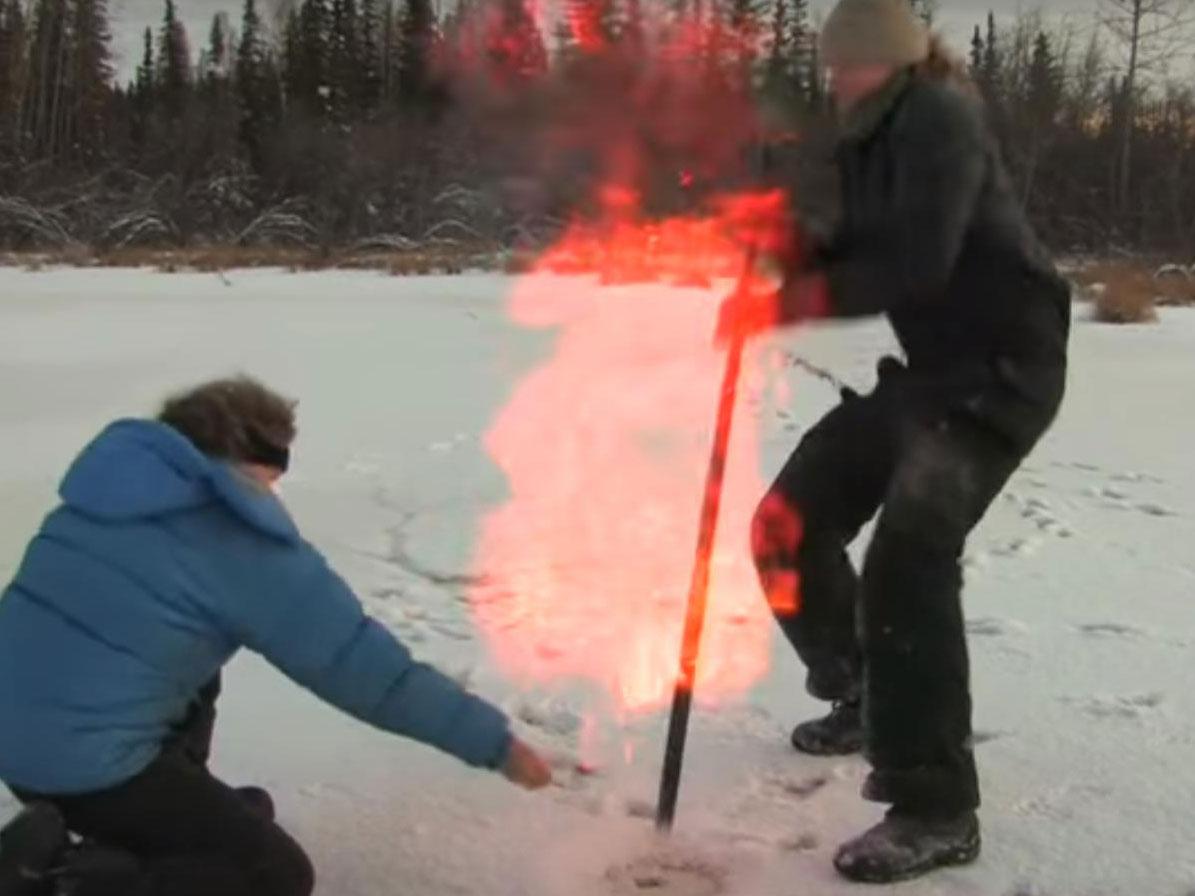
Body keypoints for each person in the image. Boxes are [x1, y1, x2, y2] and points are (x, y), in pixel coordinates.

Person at [718, 0, 1071, 884]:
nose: (835, 80)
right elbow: (844, 234)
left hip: (1001, 370)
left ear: (891, 63)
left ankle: (936, 804)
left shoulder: (940, 119)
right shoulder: (871, 135)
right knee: (786, 523)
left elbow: (916, 260)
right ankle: (866, 691)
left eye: (847, 66)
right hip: (930, 371)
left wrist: (785, 300)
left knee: (908, 559)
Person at [0, 377, 552, 896]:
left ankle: (150, 825)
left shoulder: (101, 499)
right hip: (84, 769)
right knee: (275, 875)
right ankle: (60, 879)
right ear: (251, 463)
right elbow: (367, 672)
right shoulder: (240, 548)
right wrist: (494, 743)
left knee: (187, 658)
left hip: (15, 736)